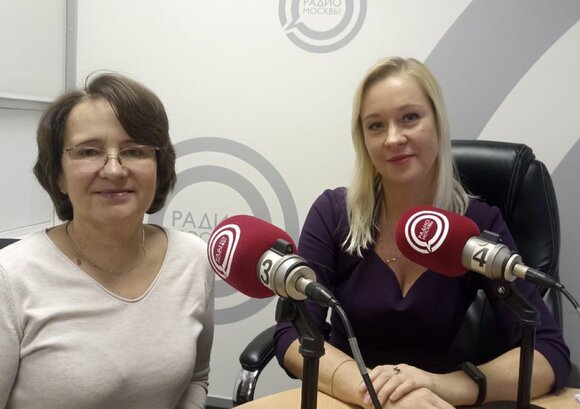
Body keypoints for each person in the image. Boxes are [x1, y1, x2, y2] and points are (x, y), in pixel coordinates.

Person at [273, 57, 570, 408]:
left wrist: (440, 386)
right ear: (363, 140)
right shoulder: (334, 213)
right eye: (376, 125)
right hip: (347, 397)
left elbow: (547, 352)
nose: (393, 138)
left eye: (410, 118)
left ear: (438, 123)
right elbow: (294, 333)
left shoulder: (479, 225)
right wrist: (376, 393)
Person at [0, 73, 214, 409]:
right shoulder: (10, 279)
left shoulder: (193, 258)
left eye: (134, 150)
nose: (114, 169)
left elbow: (196, 378)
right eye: (89, 151)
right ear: (58, 174)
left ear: (159, 166)